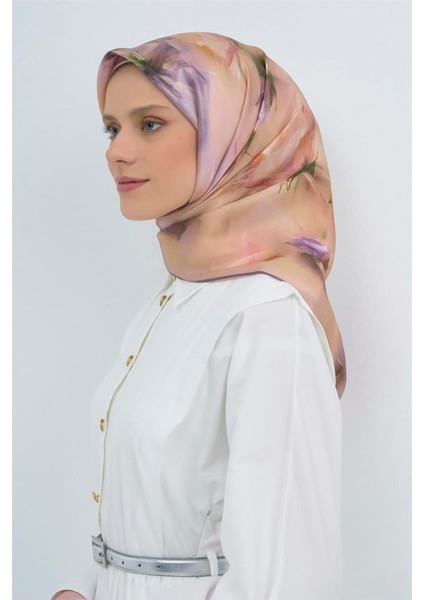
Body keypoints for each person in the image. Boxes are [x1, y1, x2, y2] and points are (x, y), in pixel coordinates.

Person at [51, 31, 347, 600]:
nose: (116, 151)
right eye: (111, 128)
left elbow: (288, 575)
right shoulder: (170, 301)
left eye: (150, 123)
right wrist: (83, 586)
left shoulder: (268, 317)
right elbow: (150, 514)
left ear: (231, 135)